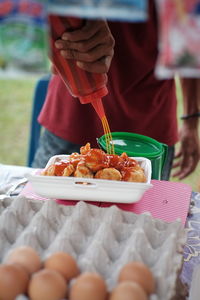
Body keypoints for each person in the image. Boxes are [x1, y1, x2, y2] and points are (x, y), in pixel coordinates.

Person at [32, 0, 200, 180]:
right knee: (46, 202)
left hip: (148, 127)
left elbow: (190, 42)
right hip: (73, 115)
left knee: (146, 205)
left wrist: (191, 119)